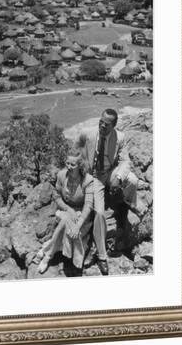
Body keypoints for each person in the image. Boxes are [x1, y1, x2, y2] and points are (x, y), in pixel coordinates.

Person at [36, 148, 109, 276]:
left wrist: (78, 226)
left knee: (66, 223)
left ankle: (48, 253)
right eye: (67, 163)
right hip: (66, 210)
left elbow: (88, 205)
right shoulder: (61, 175)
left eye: (73, 165)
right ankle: (51, 255)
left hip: (82, 216)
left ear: (79, 165)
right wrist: (68, 209)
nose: (69, 167)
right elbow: (57, 196)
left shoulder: (88, 180)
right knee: (65, 220)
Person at [84, 108, 138, 210]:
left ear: (114, 126)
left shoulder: (120, 137)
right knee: (99, 212)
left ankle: (128, 203)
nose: (102, 126)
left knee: (133, 180)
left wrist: (118, 178)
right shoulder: (90, 135)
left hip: (110, 171)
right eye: (101, 122)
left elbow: (125, 161)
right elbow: (80, 153)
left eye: (107, 124)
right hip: (96, 175)